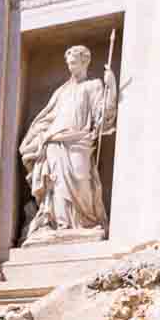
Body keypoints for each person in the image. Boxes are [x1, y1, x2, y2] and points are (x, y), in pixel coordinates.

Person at [19, 44, 117, 244]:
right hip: (55, 141)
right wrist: (38, 136)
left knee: (81, 179)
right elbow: (48, 116)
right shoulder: (61, 91)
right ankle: (62, 225)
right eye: (68, 63)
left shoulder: (94, 85)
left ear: (85, 62)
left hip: (79, 140)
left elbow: (103, 115)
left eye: (74, 63)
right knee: (57, 184)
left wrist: (112, 86)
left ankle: (85, 223)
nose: (70, 67)